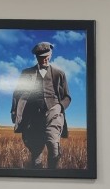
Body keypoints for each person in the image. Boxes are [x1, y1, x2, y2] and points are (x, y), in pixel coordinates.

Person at [11, 41, 71, 169]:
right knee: (36, 151)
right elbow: (17, 93)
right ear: (36, 57)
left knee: (53, 145)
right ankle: (38, 175)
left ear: (51, 55)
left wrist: (59, 107)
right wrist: (14, 111)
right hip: (33, 117)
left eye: (47, 56)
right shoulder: (26, 73)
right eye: (41, 57)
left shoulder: (59, 73)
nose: (44, 59)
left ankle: (53, 174)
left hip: (53, 114)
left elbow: (67, 97)